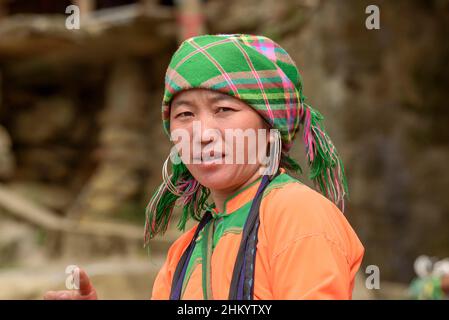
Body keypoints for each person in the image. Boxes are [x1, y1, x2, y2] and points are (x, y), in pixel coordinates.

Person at [44, 34, 364, 300]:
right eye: (185, 115)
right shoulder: (184, 250)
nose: (202, 133)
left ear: (270, 128)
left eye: (223, 109)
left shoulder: (297, 215)